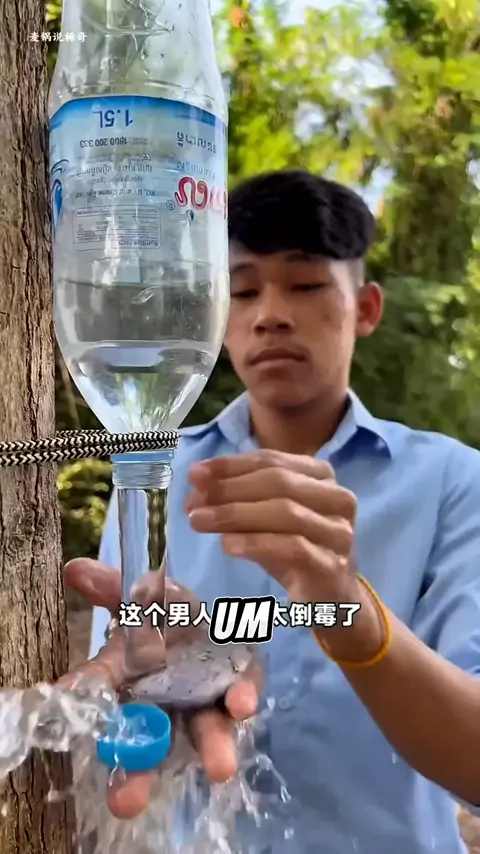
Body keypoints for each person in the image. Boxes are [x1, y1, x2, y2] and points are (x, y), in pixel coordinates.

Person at [66, 169, 480, 853]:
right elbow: (116, 695)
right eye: (243, 290)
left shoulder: (453, 482)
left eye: (307, 284)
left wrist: (350, 610)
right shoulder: (155, 472)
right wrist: (156, 687)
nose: (271, 315)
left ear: (366, 307)